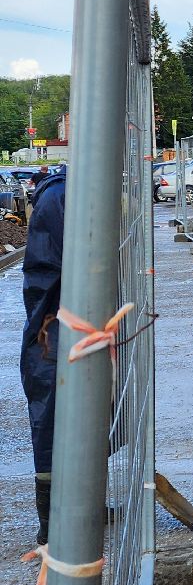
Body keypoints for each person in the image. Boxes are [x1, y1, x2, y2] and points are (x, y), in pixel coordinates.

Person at [20, 164, 65, 543]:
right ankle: (51, 521)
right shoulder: (62, 197)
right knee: (52, 419)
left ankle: (82, 502)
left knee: (85, 414)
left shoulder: (60, 194)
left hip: (63, 321)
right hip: (55, 327)